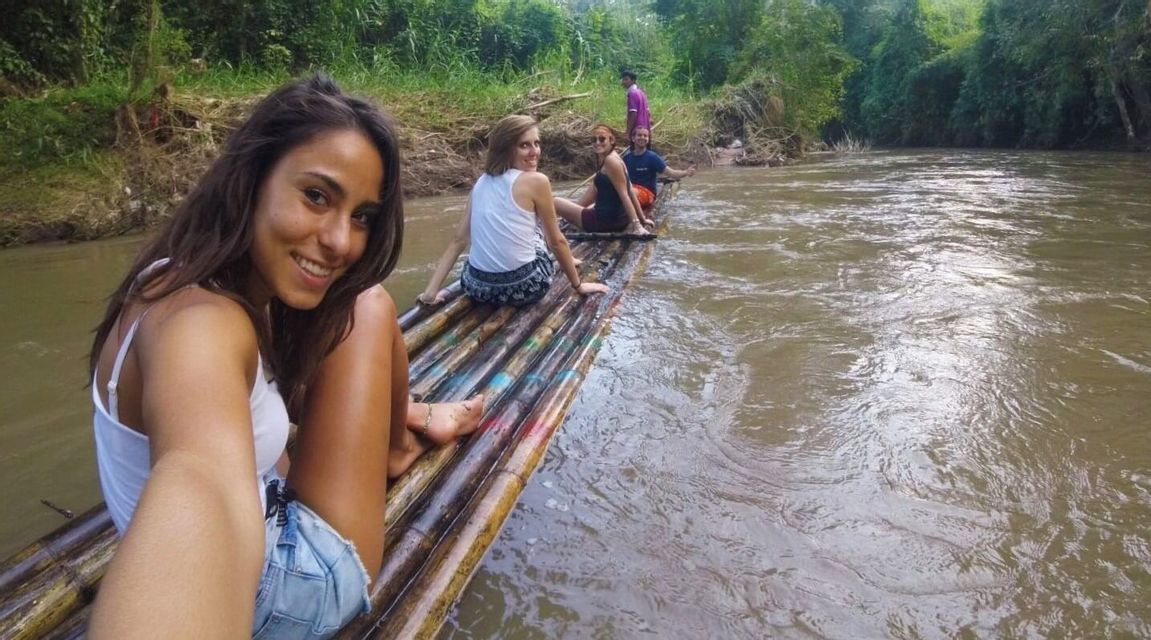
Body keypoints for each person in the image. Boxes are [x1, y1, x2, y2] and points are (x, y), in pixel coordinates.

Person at [87, 75, 482, 639]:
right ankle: (396, 446)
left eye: (362, 216)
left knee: (350, 300)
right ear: (252, 180)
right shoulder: (200, 326)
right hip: (282, 591)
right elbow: (200, 477)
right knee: (367, 303)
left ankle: (409, 423)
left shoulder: (176, 275)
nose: (342, 241)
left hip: (263, 505)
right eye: (317, 196)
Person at [418, 115, 609, 307]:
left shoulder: (481, 182)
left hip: (476, 288)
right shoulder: (538, 181)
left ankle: (564, 259)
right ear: (505, 149)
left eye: (537, 143)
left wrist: (430, 293)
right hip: (524, 287)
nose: (535, 152)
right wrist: (578, 285)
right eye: (524, 145)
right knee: (537, 231)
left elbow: (458, 240)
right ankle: (570, 260)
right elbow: (556, 241)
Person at [553, 124, 654, 233]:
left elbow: (625, 194)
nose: (597, 143)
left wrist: (637, 225)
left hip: (603, 222)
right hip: (617, 219)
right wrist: (642, 218)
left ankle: (551, 230)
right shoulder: (615, 157)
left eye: (602, 139)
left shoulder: (611, 161)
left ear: (611, 140)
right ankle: (567, 219)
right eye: (594, 139)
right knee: (597, 183)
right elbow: (630, 190)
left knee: (554, 201)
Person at [622, 126, 696, 212]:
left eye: (645, 136)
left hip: (647, 194)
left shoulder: (652, 157)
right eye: (639, 135)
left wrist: (686, 172)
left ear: (648, 139)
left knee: (630, 192)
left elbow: (671, 173)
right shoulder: (626, 158)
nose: (642, 137)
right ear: (633, 138)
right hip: (631, 191)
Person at [620, 70, 651, 144]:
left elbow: (633, 113)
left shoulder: (632, 93)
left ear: (633, 80)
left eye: (626, 79)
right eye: (623, 79)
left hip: (637, 130)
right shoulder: (641, 93)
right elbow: (648, 112)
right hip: (645, 129)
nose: (623, 82)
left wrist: (628, 131)